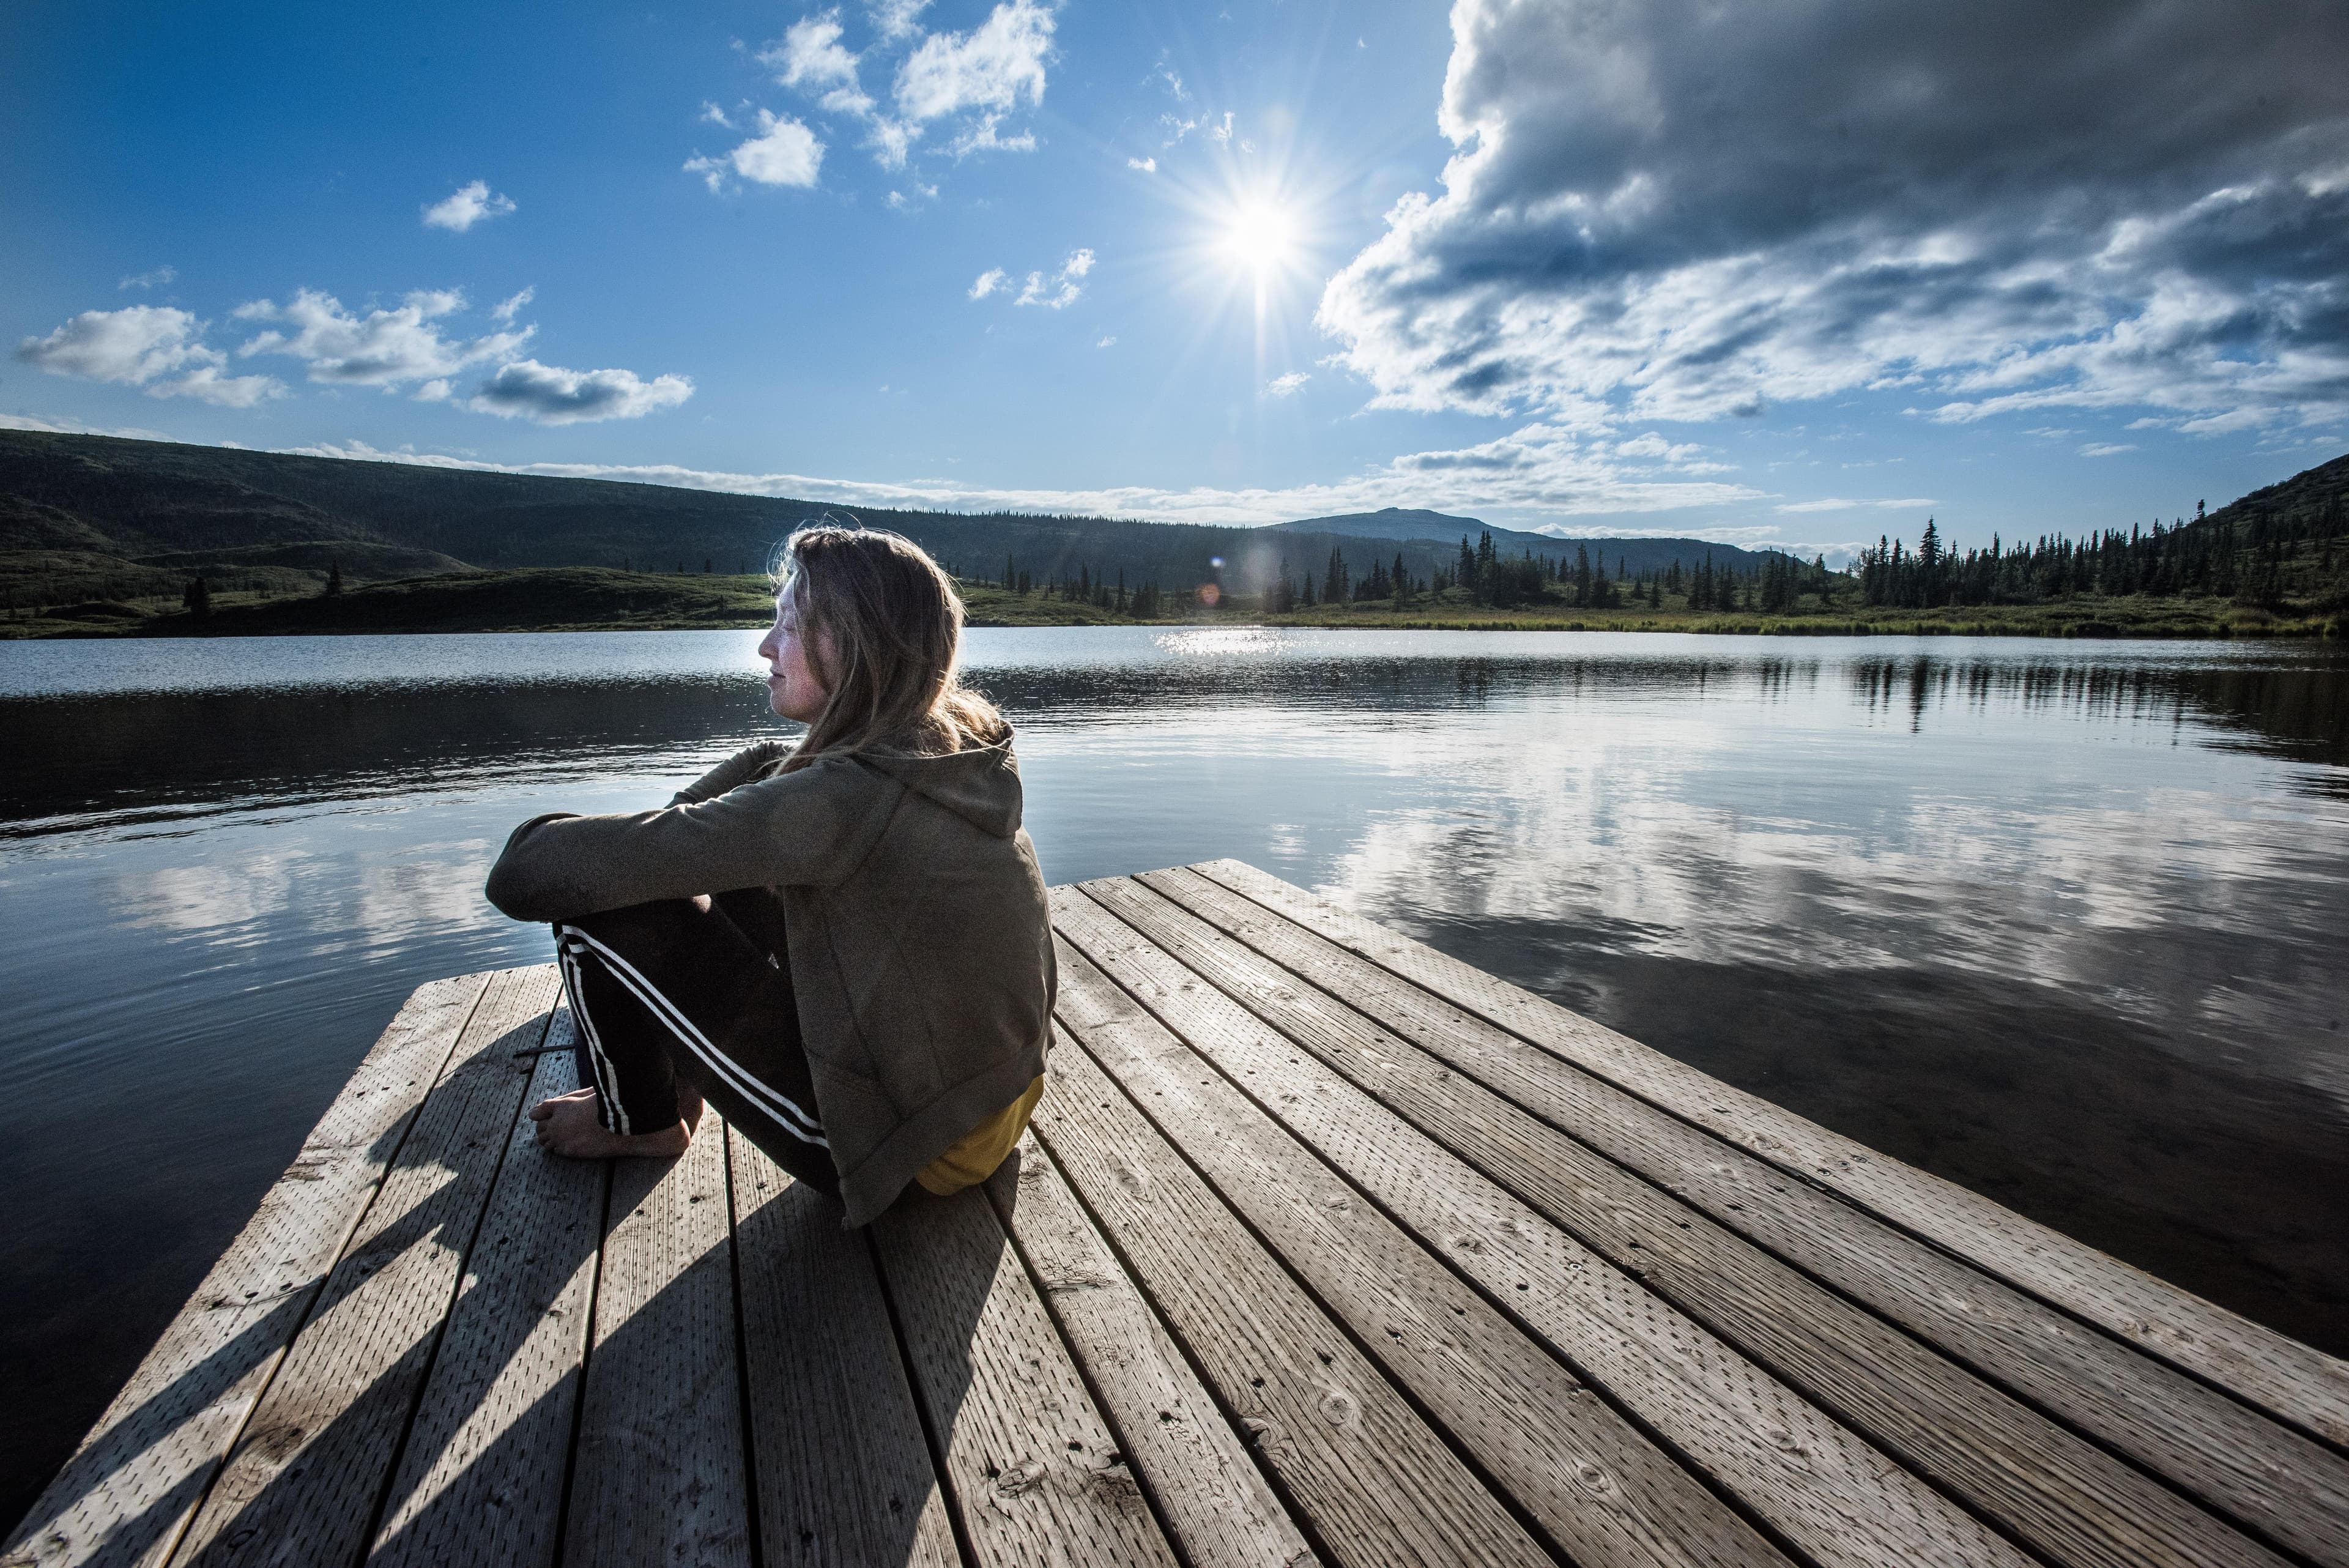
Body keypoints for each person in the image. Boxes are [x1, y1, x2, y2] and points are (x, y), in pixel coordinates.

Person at [483, 526, 1055, 1226]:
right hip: (988, 1104)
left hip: (908, 1152)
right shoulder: (949, 753)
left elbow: (522, 877)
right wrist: (689, 837)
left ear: (849, 642)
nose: (764, 646)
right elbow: (774, 770)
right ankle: (668, 1079)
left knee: (598, 911)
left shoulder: (842, 801)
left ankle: (639, 1120)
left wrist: (646, 854)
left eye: (787, 624)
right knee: (692, 862)